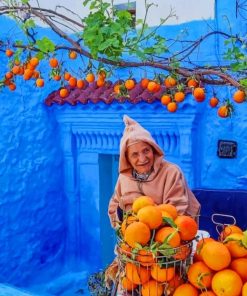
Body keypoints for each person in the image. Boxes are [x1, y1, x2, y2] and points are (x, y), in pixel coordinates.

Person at [108, 114, 200, 228]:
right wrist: (121, 208)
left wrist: (147, 209)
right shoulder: (124, 178)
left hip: (167, 243)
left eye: (146, 151)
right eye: (135, 154)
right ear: (127, 159)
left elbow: (176, 213)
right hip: (133, 242)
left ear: (154, 150)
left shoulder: (171, 173)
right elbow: (113, 212)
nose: (142, 159)